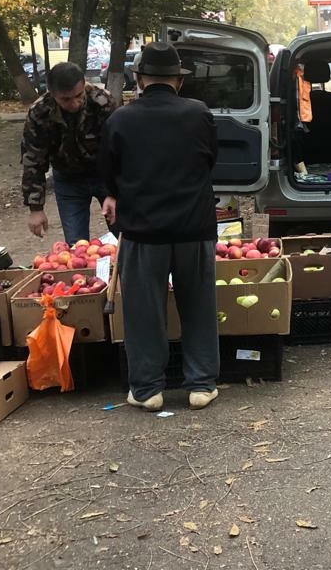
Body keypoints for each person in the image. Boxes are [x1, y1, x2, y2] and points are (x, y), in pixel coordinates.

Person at [98, 41, 220, 412]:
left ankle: (148, 389)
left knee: (143, 311)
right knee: (198, 304)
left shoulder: (120, 119)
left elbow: (108, 176)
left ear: (139, 78)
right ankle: (200, 385)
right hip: (193, 228)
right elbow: (209, 162)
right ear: (177, 80)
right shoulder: (199, 114)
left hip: (142, 231)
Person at [21, 61, 116, 243]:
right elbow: (33, 159)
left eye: (78, 96)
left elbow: (119, 149)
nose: (74, 103)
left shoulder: (102, 102)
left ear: (84, 84)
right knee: (76, 245)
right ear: (52, 93)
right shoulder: (40, 112)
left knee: (126, 236)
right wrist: (35, 208)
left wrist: (116, 192)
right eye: (65, 99)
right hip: (69, 179)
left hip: (105, 175)